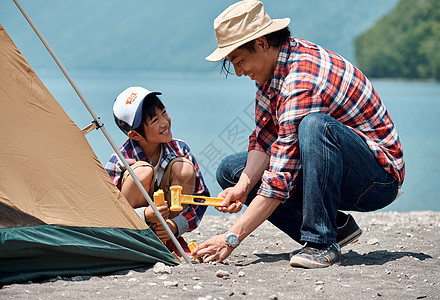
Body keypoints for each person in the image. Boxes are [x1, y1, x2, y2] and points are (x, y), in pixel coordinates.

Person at [192, 0, 405, 268]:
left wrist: (231, 237)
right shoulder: (272, 71)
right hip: (333, 169)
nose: (238, 71)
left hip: (376, 180)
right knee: (231, 170)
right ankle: (337, 228)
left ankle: (322, 242)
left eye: (239, 60)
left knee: (315, 126)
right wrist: (242, 188)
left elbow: (281, 177)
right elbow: (265, 138)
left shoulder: (302, 80)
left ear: (261, 43)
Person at [105, 86, 210, 255]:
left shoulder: (180, 148)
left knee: (183, 168)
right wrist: (144, 215)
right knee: (142, 172)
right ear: (134, 135)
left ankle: (170, 240)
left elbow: (201, 198)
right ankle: (140, 240)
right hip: (134, 229)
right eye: (154, 120)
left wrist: (176, 226)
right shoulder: (119, 160)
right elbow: (107, 210)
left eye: (164, 112)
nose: (164, 122)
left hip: (171, 228)